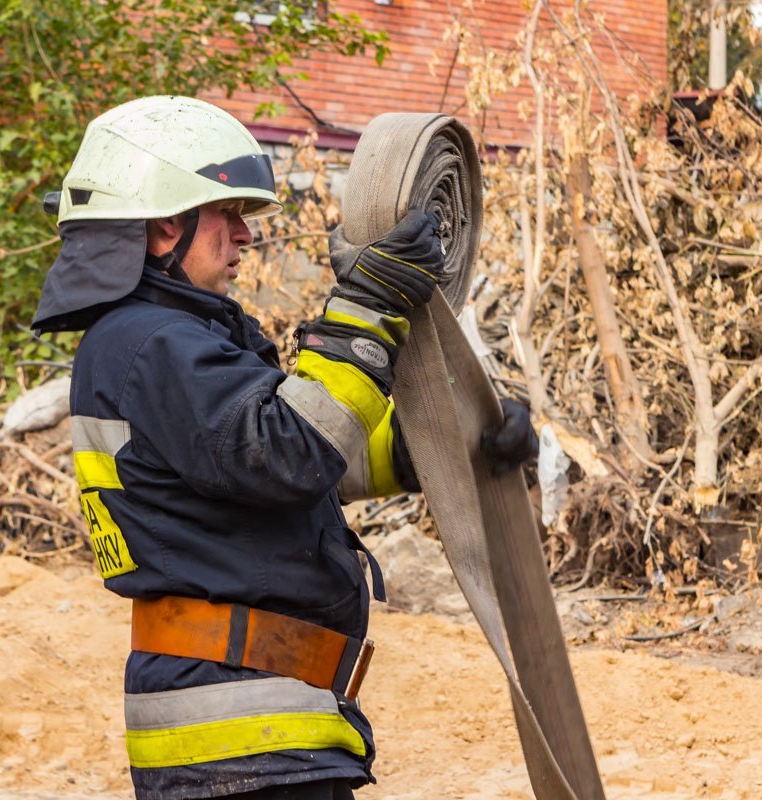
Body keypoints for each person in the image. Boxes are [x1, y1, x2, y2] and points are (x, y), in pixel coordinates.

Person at [32, 95, 538, 800]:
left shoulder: (167, 343)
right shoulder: (151, 344)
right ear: (163, 226)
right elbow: (290, 453)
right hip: (238, 736)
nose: (244, 236)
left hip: (255, 729)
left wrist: (451, 446)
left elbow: (318, 460)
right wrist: (367, 309)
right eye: (227, 213)